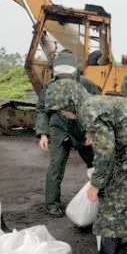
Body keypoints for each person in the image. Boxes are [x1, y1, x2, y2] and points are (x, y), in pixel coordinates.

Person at [43, 78, 127, 254]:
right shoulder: (96, 101)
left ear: (68, 102)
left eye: (61, 109)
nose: (62, 114)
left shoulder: (87, 110)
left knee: (115, 202)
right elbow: (113, 128)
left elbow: (106, 152)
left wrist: (96, 184)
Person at [35, 49, 100, 217]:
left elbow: (97, 108)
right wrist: (43, 133)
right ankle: (52, 204)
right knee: (56, 166)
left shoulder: (87, 84)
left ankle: (99, 192)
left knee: (94, 162)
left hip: (81, 128)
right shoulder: (50, 86)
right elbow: (42, 109)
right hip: (59, 128)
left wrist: (92, 131)